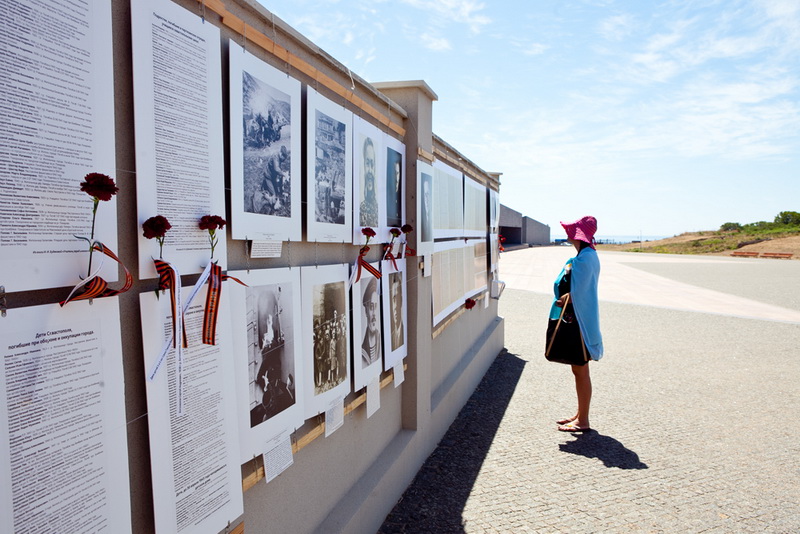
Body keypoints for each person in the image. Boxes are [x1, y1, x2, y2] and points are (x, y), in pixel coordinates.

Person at [551, 215, 604, 432]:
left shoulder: (583, 259)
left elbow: (577, 294)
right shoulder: (588, 255)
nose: (568, 234)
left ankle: (583, 421)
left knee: (580, 370)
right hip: (583, 319)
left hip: (579, 321)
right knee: (579, 370)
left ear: (577, 235)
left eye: (571, 232)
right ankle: (580, 414)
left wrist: (561, 298)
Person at [361, 277, 381, 367]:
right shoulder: (362, 351)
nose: (374, 314)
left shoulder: (380, 340)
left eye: (376, 307)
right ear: (366, 311)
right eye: (371, 307)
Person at [360, 137, 378, 227]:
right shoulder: (361, 208)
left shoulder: (378, 208)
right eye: (367, 164)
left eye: (372, 164)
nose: (370, 170)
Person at [389, 272, 404, 351]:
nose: (394, 306)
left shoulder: (405, 333)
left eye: (396, 298)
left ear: (401, 300)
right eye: (393, 299)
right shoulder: (390, 336)